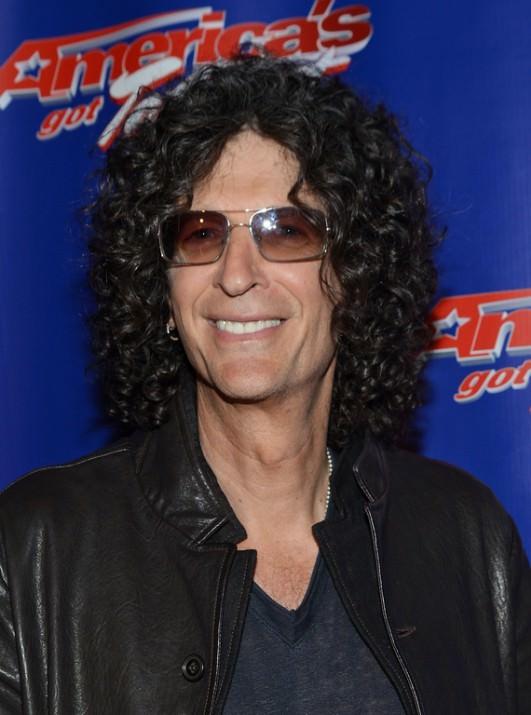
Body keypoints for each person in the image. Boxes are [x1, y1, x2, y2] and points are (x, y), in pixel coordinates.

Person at [0, 51, 529, 715]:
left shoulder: (468, 538)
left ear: (354, 275)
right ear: (164, 293)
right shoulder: (35, 548)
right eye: (200, 234)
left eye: (287, 230)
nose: (236, 273)